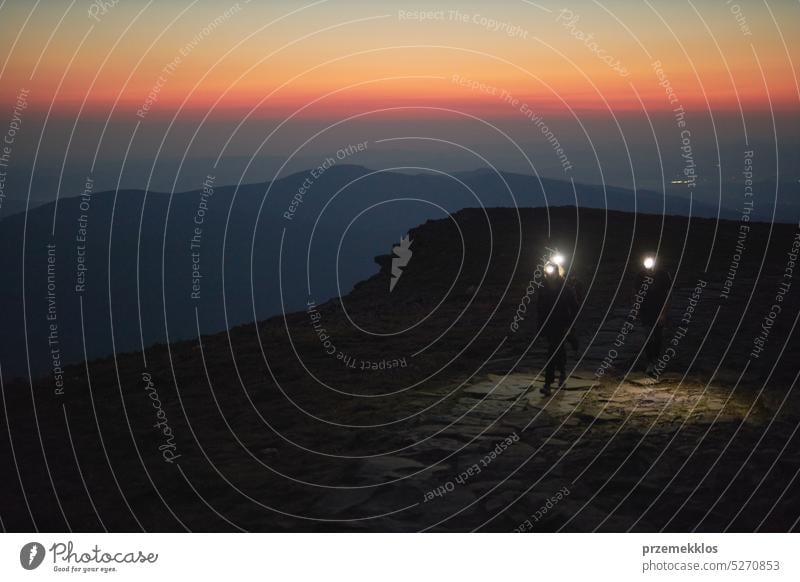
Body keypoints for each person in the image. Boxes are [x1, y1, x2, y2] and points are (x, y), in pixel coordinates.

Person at [537, 263, 578, 395]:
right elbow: (540, 307)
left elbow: (575, 307)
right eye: (548, 271)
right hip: (549, 325)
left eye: (553, 271)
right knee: (558, 350)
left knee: (552, 351)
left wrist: (570, 326)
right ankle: (562, 373)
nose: (550, 274)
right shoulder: (543, 288)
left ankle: (548, 383)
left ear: (557, 272)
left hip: (562, 324)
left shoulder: (565, 288)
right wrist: (540, 326)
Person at [635, 255, 672, 377]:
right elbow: (636, 293)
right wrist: (637, 309)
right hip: (646, 311)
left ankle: (656, 360)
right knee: (648, 337)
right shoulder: (640, 275)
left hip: (658, 310)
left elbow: (668, 295)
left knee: (657, 337)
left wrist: (664, 313)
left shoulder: (663, 275)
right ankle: (650, 362)